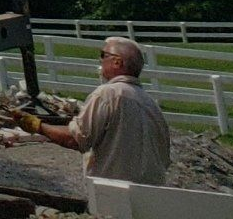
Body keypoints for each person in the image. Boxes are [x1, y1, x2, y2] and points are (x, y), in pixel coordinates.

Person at [29, 37, 171, 183]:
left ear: (117, 62)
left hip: (114, 192)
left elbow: (76, 140)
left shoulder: (107, 94)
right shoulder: (151, 104)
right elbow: (165, 158)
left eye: (103, 55)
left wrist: (36, 125)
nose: (100, 60)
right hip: (153, 194)